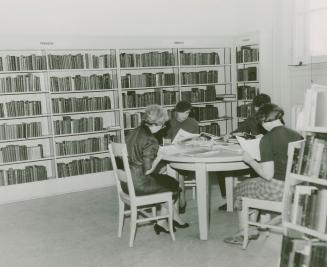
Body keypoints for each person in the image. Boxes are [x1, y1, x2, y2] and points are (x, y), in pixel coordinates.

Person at [224, 103, 302, 245]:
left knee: (240, 188)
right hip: (296, 188)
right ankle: (252, 226)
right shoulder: (297, 134)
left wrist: (250, 161)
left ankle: (244, 232)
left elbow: (267, 175)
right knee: (252, 186)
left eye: (261, 121)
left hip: (277, 189)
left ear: (264, 120)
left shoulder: (268, 139)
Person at [125, 104, 189, 234]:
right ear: (157, 123)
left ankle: (164, 221)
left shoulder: (135, 131)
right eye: (163, 125)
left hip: (127, 181)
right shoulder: (151, 140)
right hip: (140, 183)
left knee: (165, 179)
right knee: (173, 184)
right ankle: (165, 220)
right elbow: (148, 171)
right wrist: (160, 157)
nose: (163, 127)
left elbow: (139, 153)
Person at [165, 100, 199, 214]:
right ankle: (181, 198)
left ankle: (181, 198)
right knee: (177, 169)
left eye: (188, 112)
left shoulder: (193, 122)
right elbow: (165, 142)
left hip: (189, 155)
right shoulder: (169, 123)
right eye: (183, 113)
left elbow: (195, 140)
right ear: (176, 112)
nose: (186, 115)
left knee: (178, 170)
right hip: (173, 154)